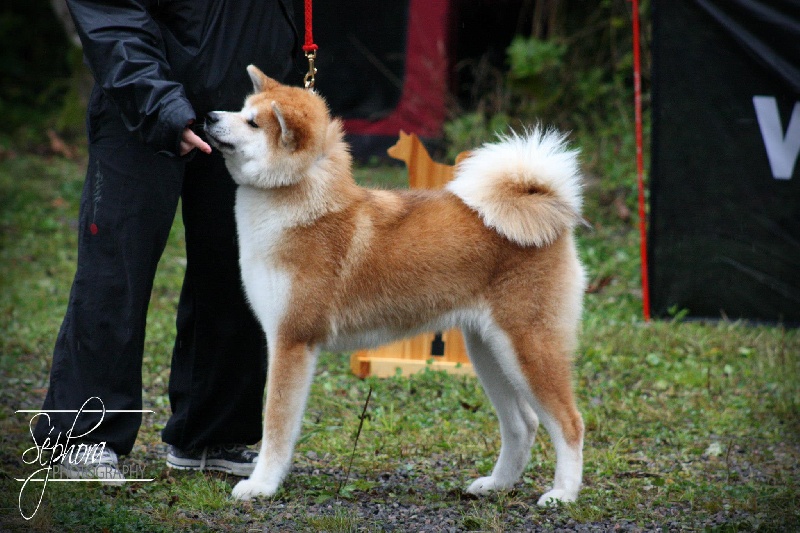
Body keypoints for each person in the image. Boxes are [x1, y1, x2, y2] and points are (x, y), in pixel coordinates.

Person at [35, 0, 300, 481]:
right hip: (138, 100)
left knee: (235, 267)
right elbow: (109, 13)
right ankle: (82, 435)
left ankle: (211, 433)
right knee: (117, 267)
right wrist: (157, 103)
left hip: (241, 109)